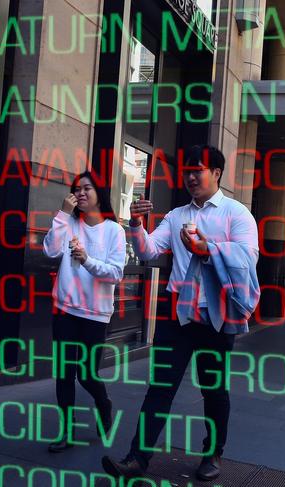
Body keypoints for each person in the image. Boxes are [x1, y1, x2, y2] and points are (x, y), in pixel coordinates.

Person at [101, 145, 260, 480]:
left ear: (216, 173)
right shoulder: (176, 216)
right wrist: (136, 223)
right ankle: (136, 459)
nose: (190, 177)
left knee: (213, 389)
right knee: (160, 386)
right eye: (187, 171)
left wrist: (208, 249)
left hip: (217, 317)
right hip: (177, 314)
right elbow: (147, 251)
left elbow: (249, 258)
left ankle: (213, 453)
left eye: (197, 170)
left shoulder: (236, 214)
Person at [43, 171, 126, 452]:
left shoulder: (114, 230)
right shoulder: (68, 223)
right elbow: (50, 251)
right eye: (76, 189)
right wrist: (62, 215)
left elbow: (115, 273)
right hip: (65, 310)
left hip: (95, 314)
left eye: (87, 188)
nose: (80, 193)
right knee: (65, 373)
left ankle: (104, 404)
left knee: (88, 374)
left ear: (98, 193)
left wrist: (88, 260)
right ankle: (66, 430)